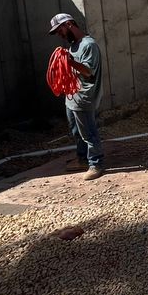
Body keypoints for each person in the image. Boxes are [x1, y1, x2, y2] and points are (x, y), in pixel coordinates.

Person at [48, 13, 104, 180]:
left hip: (84, 97)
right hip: (72, 96)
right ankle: (82, 159)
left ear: (69, 24)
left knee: (89, 133)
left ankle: (96, 164)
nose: (59, 34)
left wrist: (69, 61)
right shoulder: (73, 45)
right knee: (76, 132)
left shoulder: (89, 45)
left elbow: (88, 72)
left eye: (60, 30)